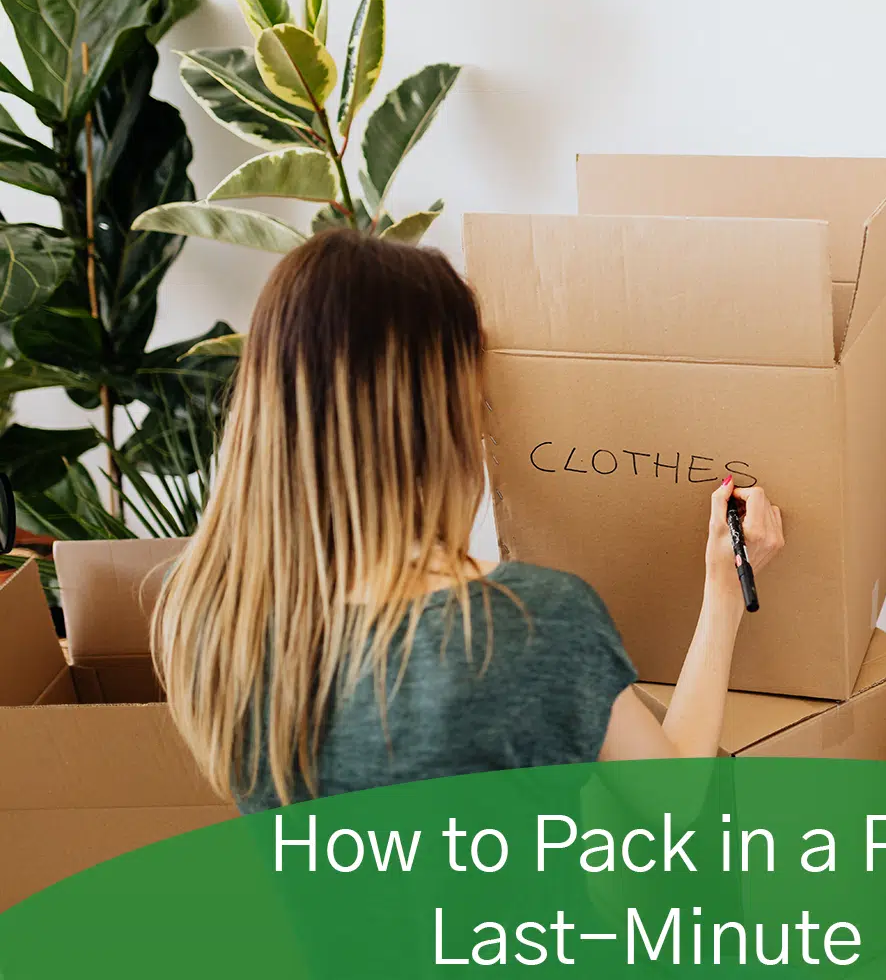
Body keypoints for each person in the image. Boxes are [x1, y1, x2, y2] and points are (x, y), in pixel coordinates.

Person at [151, 229, 785, 813]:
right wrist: (727, 589)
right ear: (440, 417)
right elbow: (669, 802)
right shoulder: (526, 624)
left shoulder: (210, 615)